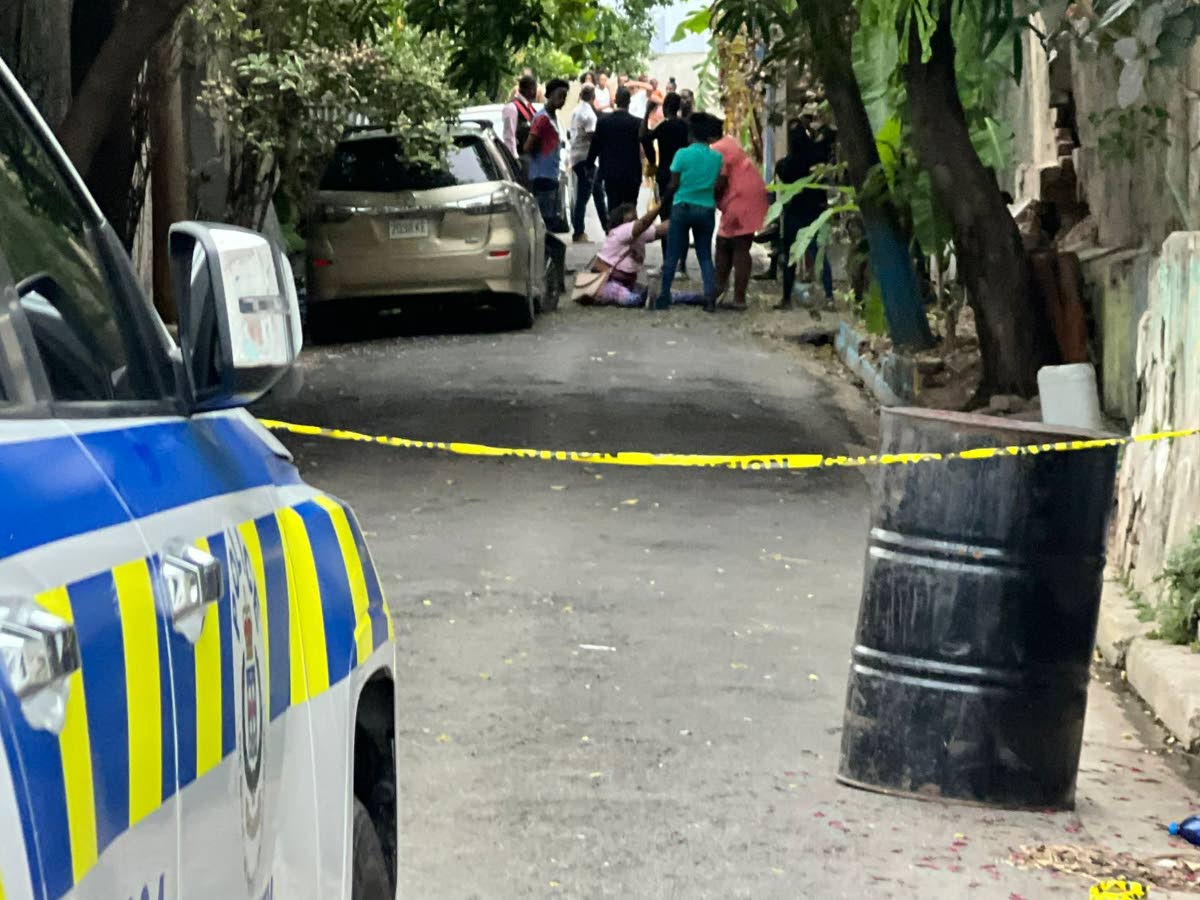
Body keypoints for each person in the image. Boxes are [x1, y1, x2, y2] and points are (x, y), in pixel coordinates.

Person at [656, 112, 725, 312]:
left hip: (682, 206)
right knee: (704, 254)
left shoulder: (682, 154)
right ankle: (710, 298)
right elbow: (717, 183)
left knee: (672, 254)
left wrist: (663, 202)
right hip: (706, 208)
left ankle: (664, 296)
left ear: (690, 134)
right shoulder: (716, 157)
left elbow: (674, 183)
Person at [774, 116, 834, 309]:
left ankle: (786, 298)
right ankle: (830, 297)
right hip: (815, 211)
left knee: (790, 255)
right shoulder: (818, 158)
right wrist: (817, 129)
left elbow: (782, 175)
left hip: (793, 212)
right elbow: (830, 135)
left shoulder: (785, 165)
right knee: (818, 254)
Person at [712, 131, 770, 310]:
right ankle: (726, 292)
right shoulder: (729, 142)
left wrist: (707, 198)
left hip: (740, 197)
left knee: (732, 244)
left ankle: (731, 295)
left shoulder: (716, 149)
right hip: (747, 194)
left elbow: (720, 182)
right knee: (733, 244)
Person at [526, 78, 570, 294]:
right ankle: (550, 278)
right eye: (560, 95)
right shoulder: (542, 119)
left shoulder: (552, 118)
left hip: (550, 176)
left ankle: (552, 278)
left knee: (550, 227)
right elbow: (529, 145)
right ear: (550, 95)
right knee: (546, 229)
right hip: (542, 178)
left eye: (565, 96)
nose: (562, 100)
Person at [642, 91, 691, 275]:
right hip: (685, 177)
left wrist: (647, 113)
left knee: (666, 220)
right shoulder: (686, 126)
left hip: (665, 176)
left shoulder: (663, 127)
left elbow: (644, 137)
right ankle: (682, 265)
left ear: (665, 108)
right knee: (684, 220)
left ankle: (667, 262)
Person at [587, 86, 644, 214]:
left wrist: (589, 165)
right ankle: (628, 233)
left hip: (611, 174)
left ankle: (614, 233)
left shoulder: (603, 122)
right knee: (630, 211)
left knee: (613, 209)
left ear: (615, 100)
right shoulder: (637, 123)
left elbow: (595, 146)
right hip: (632, 175)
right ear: (629, 102)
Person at [568, 84, 607, 243]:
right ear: (593, 97)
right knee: (584, 195)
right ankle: (578, 231)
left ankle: (607, 226)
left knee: (598, 192)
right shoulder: (588, 115)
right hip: (586, 158)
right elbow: (593, 138)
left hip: (578, 156)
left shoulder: (576, 110)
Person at [503, 74, 538, 159]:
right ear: (527, 90)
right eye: (533, 89)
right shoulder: (512, 108)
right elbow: (509, 137)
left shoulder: (530, 108)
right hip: (521, 157)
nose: (535, 93)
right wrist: (515, 160)